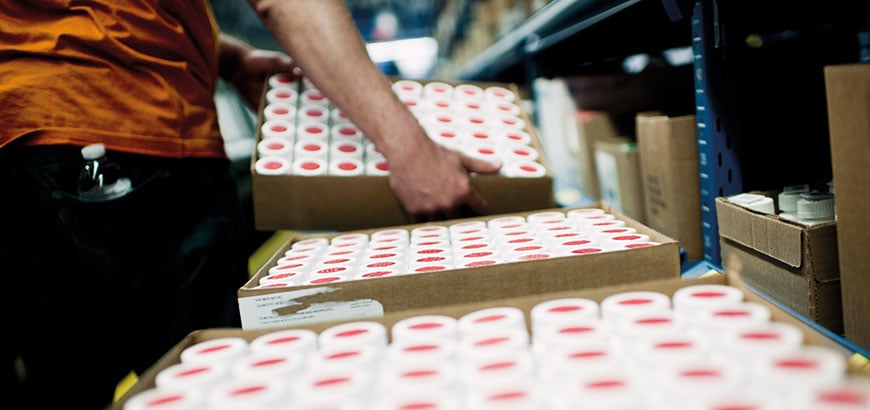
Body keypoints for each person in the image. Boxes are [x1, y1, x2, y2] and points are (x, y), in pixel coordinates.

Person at [0, 0, 502, 408]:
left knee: (67, 384)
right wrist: (411, 150)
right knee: (216, 381)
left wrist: (227, 56)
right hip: (135, 130)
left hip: (23, 145)